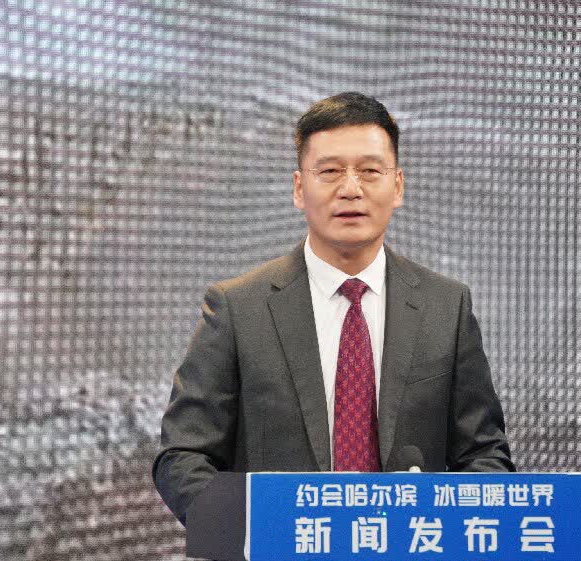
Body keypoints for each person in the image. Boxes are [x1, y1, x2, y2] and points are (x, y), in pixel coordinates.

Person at [153, 92, 515, 524]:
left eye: (370, 171)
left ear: (397, 186)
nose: (350, 189)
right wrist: (250, 532)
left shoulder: (446, 307)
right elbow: (183, 456)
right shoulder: (237, 308)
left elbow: (483, 455)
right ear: (298, 188)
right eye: (329, 172)